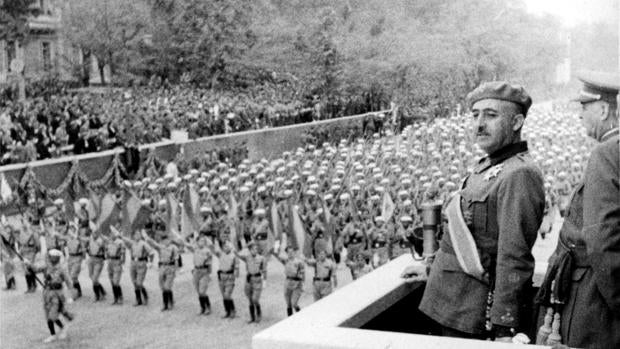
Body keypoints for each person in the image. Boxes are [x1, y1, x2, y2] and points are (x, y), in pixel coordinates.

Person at [402, 81, 545, 341]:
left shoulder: (519, 174)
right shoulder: (485, 167)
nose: (479, 124)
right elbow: (471, 239)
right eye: (475, 115)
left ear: (516, 123)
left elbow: (514, 256)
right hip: (448, 304)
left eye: (491, 115)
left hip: (473, 315)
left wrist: (504, 326)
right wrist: (430, 270)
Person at [536, 71, 619, 347]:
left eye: (584, 107)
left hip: (596, 306)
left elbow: (602, 242)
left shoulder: (607, 154)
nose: (580, 115)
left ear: (605, 109)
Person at [26, 249, 74, 343]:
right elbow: (35, 269)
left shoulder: (62, 268)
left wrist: (70, 296)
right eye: (51, 256)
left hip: (57, 293)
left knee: (53, 315)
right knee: (48, 315)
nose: (53, 258)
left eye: (55, 257)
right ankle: (53, 334)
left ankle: (63, 327)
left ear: (58, 258)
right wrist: (28, 264)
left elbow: (69, 282)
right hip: (47, 293)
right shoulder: (46, 266)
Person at [144, 233, 179, 311]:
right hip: (162, 268)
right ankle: (168, 302)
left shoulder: (174, 248)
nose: (165, 242)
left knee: (167, 286)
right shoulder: (160, 247)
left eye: (166, 240)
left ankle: (167, 304)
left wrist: (175, 271)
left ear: (169, 240)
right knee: (163, 287)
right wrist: (146, 237)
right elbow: (153, 244)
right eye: (163, 240)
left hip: (170, 267)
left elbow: (176, 260)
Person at [235, 241, 267, 323]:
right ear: (249, 250)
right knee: (250, 299)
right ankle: (252, 317)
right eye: (253, 249)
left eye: (256, 249)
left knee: (255, 299)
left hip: (257, 280)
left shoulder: (261, 258)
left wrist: (265, 281)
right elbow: (238, 254)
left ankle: (259, 313)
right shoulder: (247, 257)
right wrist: (246, 246)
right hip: (249, 280)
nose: (255, 250)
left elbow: (264, 271)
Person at [119, 230, 154, 306]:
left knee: (139, 283)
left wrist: (150, 262)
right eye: (135, 234)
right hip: (133, 263)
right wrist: (120, 236)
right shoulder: (132, 243)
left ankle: (145, 296)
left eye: (138, 234)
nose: (137, 236)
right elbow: (125, 240)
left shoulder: (144, 243)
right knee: (134, 282)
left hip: (141, 263)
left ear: (140, 236)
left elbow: (151, 253)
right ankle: (138, 300)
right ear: (133, 236)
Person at [184, 235, 214, 315]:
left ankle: (208, 307)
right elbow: (186, 245)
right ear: (197, 242)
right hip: (196, 271)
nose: (202, 242)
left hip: (204, 271)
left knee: (202, 291)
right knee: (198, 291)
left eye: (204, 241)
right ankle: (202, 307)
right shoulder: (195, 249)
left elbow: (210, 263)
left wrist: (208, 274)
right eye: (201, 241)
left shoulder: (207, 251)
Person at [272, 245, 305, 316]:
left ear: (294, 252)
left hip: (297, 283)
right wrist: (276, 246)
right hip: (288, 283)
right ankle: (290, 319)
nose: (290, 253)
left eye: (292, 252)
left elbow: (303, 274)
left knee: (294, 303)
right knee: (288, 303)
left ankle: (301, 316)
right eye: (288, 252)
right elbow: (276, 255)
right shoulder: (286, 260)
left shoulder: (299, 262)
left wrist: (303, 284)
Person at [213, 239, 239, 319]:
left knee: (227, 294)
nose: (226, 247)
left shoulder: (234, 256)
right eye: (224, 246)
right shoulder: (221, 254)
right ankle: (227, 311)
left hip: (229, 276)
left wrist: (235, 275)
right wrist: (216, 242)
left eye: (227, 246)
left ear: (231, 247)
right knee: (224, 295)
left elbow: (236, 267)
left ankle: (233, 310)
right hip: (221, 276)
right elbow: (214, 248)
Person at [105, 229, 126, 305]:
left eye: (112, 234)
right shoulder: (109, 242)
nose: (111, 235)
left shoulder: (120, 242)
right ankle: (116, 298)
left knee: (115, 281)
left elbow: (123, 252)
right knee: (111, 281)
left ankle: (120, 297)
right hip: (110, 262)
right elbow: (107, 251)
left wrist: (123, 261)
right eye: (110, 234)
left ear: (116, 234)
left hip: (117, 261)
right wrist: (107, 257)